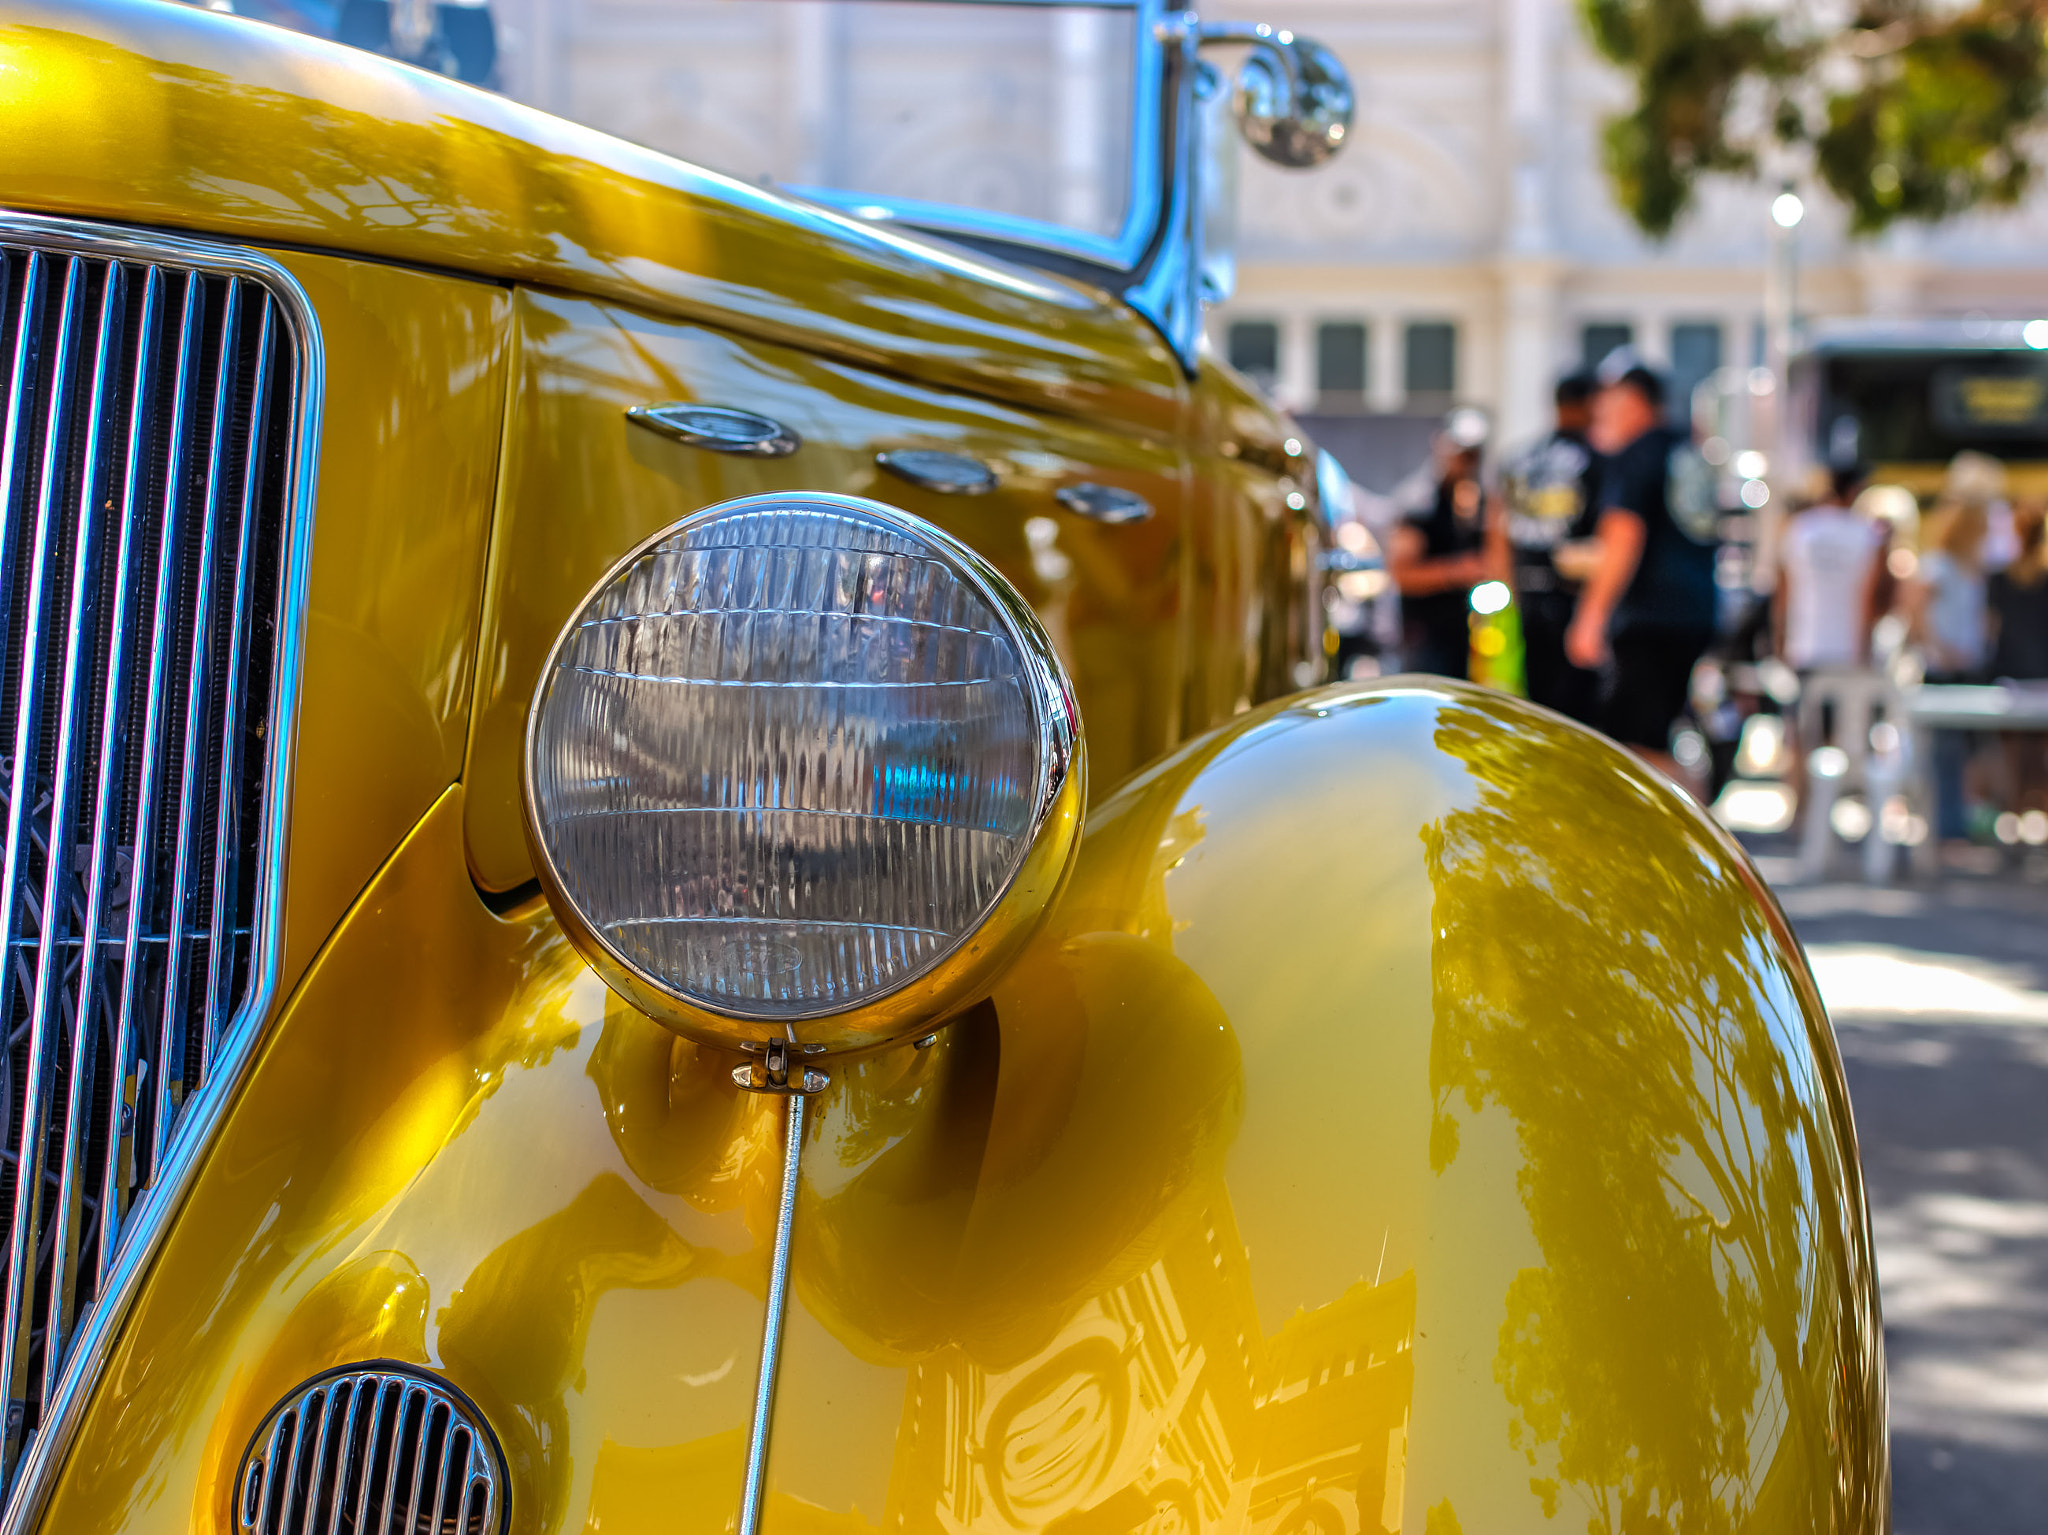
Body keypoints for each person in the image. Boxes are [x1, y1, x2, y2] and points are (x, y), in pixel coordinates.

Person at [1565, 364, 1720, 788]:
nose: (1598, 409)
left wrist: (1590, 616)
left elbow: (1623, 535)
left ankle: (1700, 834)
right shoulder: (1684, 449)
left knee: (1630, 749)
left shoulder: (1637, 454)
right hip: (1692, 612)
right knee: (1649, 737)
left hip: (1650, 619)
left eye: (1607, 399)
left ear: (1632, 401)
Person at [1491, 372, 1603, 722]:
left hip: (1525, 594)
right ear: (1589, 404)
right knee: (1583, 716)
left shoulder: (1517, 458)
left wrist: (1506, 587)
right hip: (1579, 599)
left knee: (1537, 710)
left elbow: (1496, 530)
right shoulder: (1596, 458)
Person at [1903, 497, 1992, 841]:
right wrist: (1938, 647)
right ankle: (1946, 828)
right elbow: (1916, 608)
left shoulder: (1969, 566)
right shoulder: (1939, 564)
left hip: (1967, 666)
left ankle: (1959, 824)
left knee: (1966, 752)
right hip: (1943, 668)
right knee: (1944, 752)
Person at [1389, 421, 1492, 679]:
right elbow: (1402, 575)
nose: (1468, 464)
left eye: (1473, 456)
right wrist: (1457, 572)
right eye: (1463, 455)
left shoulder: (1471, 499)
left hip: (1460, 630)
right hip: (1422, 634)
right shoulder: (1419, 502)